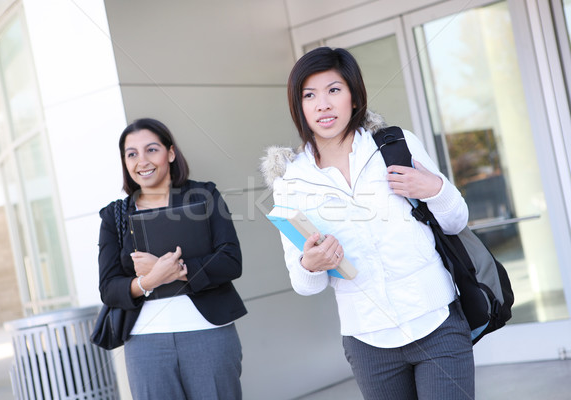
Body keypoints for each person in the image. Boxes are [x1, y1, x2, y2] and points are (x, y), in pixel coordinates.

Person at [261, 47, 475, 399]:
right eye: (309, 95)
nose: (323, 104)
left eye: (334, 90)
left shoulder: (396, 145)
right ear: (298, 106)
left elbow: (456, 221)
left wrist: (435, 189)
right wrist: (310, 265)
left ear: (354, 97)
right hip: (368, 342)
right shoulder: (291, 180)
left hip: (436, 322)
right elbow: (304, 284)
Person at [98, 118, 247, 400]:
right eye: (132, 154)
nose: (142, 161)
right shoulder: (114, 216)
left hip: (208, 334)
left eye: (151, 150)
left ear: (170, 153)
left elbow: (230, 260)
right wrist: (151, 280)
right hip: (146, 343)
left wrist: (175, 270)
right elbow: (109, 288)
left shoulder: (204, 197)